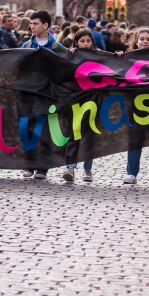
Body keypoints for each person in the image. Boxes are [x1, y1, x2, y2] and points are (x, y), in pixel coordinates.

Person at [115, 27, 149, 185]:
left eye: (148, 39)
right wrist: (117, 57)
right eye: (142, 39)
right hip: (135, 105)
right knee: (134, 139)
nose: (145, 41)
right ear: (136, 42)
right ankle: (131, 173)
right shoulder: (128, 58)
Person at [20, 10, 63, 179]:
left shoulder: (56, 47)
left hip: (47, 94)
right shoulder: (26, 46)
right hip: (28, 93)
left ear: (46, 25)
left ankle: (42, 167)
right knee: (25, 128)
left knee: (43, 129)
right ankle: (29, 164)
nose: (32, 27)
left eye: (36, 23)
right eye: (31, 24)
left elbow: (63, 70)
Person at [64, 29, 96, 183]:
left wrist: (116, 55)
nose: (85, 44)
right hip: (75, 99)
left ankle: (87, 169)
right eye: (82, 41)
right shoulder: (71, 55)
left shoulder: (98, 55)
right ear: (76, 42)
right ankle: (70, 166)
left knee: (89, 134)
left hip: (93, 99)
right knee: (74, 132)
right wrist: (68, 54)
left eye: (88, 41)